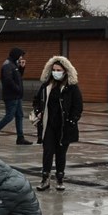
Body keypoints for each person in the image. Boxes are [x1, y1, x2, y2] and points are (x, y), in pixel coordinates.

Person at [32, 56, 83, 192]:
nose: (56, 72)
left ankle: (60, 179)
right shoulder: (46, 85)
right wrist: (38, 111)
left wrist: (72, 120)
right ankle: (45, 178)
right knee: (48, 152)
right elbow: (37, 100)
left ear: (65, 71)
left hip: (64, 127)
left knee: (61, 153)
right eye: (54, 69)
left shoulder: (71, 87)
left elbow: (78, 106)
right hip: (48, 124)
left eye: (58, 70)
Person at [0, 48, 33, 146]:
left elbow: (18, 78)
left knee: (19, 116)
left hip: (17, 96)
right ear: (15, 55)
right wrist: (17, 89)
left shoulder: (13, 64)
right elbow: (8, 80)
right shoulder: (8, 65)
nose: (21, 57)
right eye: (20, 55)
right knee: (9, 116)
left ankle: (20, 138)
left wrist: (21, 68)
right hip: (11, 96)